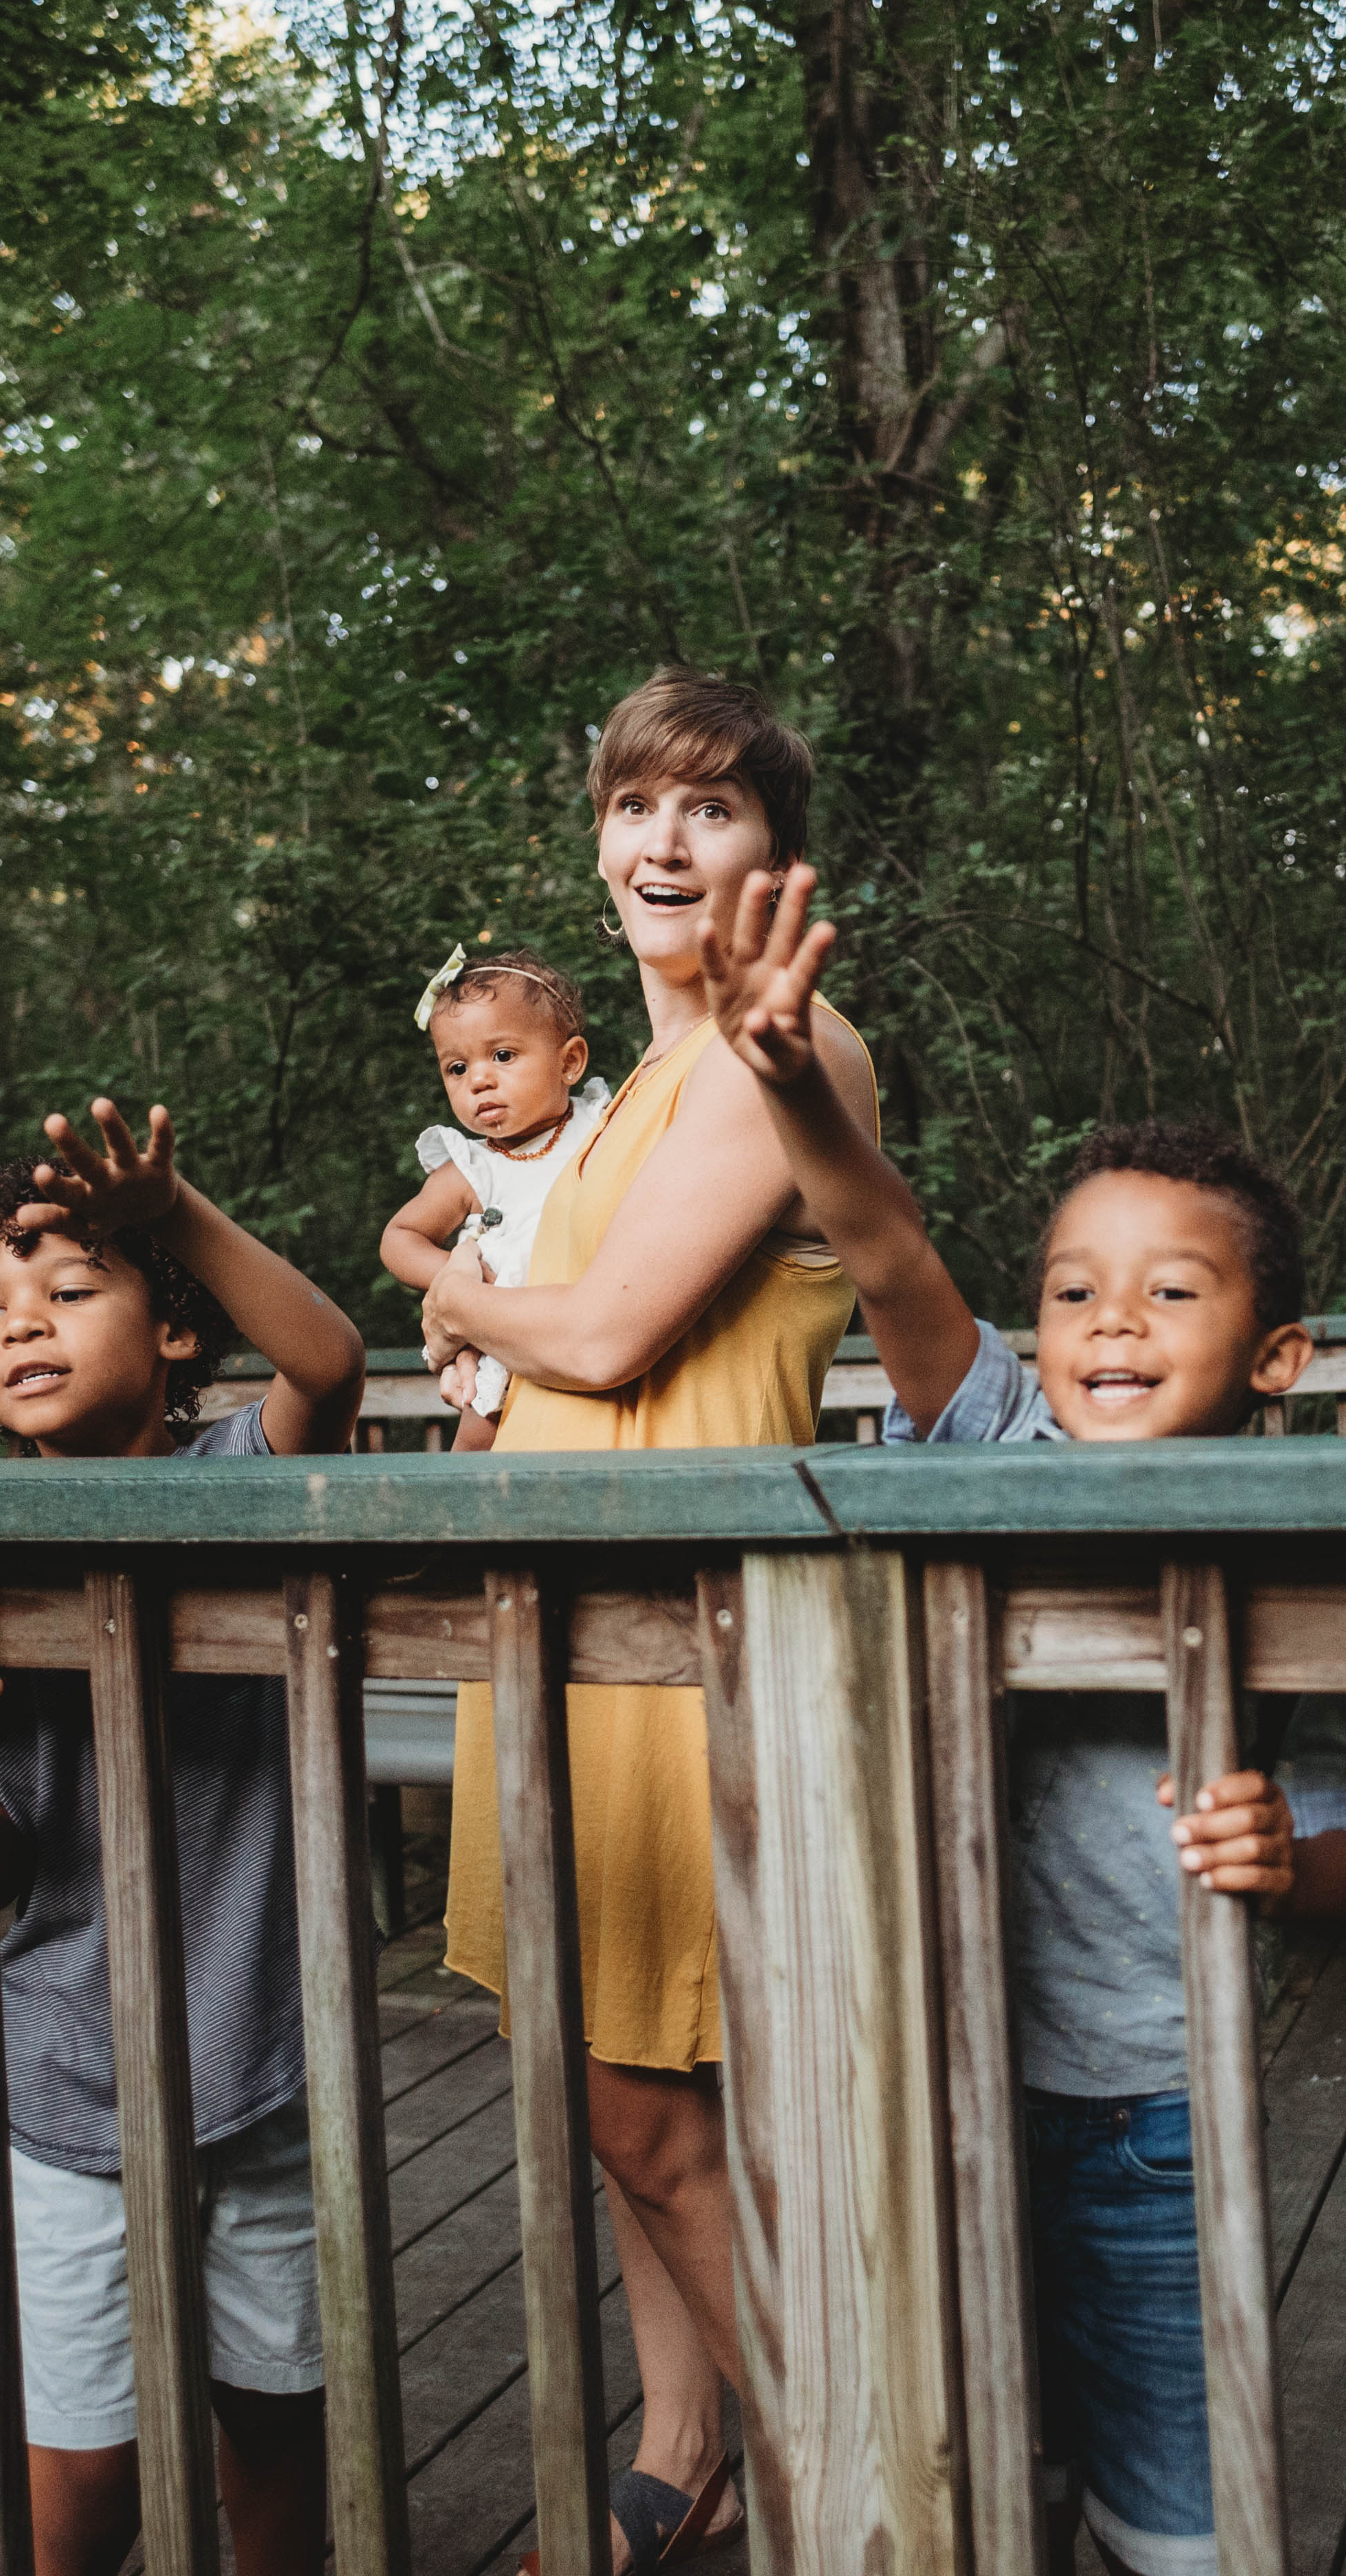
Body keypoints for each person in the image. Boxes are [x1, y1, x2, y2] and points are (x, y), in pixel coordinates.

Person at [699, 861, 1346, 2576]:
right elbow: (888, 1251)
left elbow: (1343, 1831)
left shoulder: (1296, 1554)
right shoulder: (996, 1437)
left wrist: (1288, 1859)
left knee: (1181, 2514)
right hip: (938, 2085)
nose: (1109, 1318)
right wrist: (789, 1085)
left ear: (1276, 1354)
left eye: (1170, 1291)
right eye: (1071, 1289)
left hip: (1157, 2114)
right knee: (968, 2478)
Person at [419, 667, 880, 2573]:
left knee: (650, 2098)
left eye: (711, 806)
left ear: (775, 851)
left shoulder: (788, 1048)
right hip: (563, 1638)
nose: (665, 841)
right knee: (620, 2081)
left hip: (685, 1651)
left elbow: (605, 1336)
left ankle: (858, 2472)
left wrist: (460, 1307)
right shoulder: (623, 1098)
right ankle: (683, 2451)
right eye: (634, 805)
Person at [0, 1097, 365, 2576]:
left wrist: (172, 1211)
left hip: (263, 2058)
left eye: (73, 1288)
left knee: (274, 2432)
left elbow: (329, 1360)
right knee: (82, 2476)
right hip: (67, 2083)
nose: (22, 1323)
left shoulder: (243, 1478)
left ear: (173, 1328)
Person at [380, 944, 609, 1449]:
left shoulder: (602, 1127)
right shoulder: (472, 1169)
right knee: (480, 1439)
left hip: (594, 1322)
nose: (479, 1080)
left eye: (503, 1056)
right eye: (456, 1068)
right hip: (507, 1339)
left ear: (570, 1062)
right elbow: (399, 1237)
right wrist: (460, 1274)